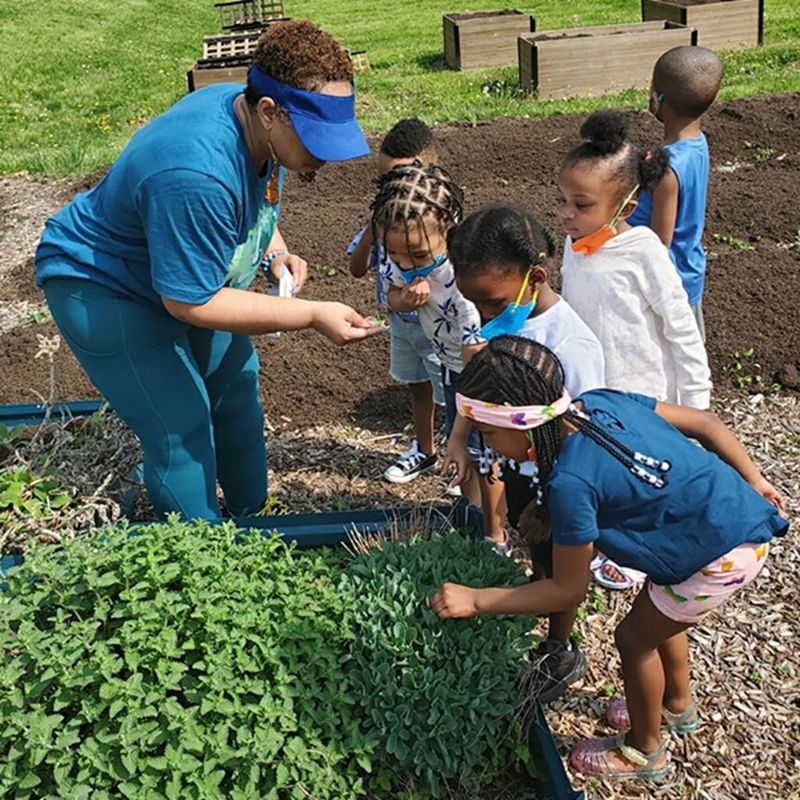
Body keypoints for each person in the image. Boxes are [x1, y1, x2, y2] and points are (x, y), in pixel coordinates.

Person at [34, 20, 382, 520]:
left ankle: (252, 517)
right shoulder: (195, 172)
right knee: (180, 424)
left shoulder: (254, 118)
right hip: (104, 283)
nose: (324, 156)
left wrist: (271, 251)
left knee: (236, 386)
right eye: (315, 138)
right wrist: (309, 314)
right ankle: (207, 556)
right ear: (268, 111)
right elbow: (189, 301)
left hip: (176, 268)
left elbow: (257, 199)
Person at [431, 337, 788, 782]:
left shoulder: (572, 483)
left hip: (720, 555)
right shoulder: (597, 403)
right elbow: (705, 422)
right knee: (660, 612)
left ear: (521, 425)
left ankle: (644, 752)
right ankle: (675, 706)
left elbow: (568, 589)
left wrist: (477, 600)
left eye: (488, 433)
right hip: (723, 522)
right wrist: (755, 480)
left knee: (634, 641)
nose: (488, 443)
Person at [443, 203, 606, 701]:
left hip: (556, 481)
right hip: (518, 465)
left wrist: (551, 505)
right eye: (476, 307)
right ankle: (536, 592)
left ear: (534, 277)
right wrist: (458, 436)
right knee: (535, 552)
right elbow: (485, 388)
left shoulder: (572, 345)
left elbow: (583, 434)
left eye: (492, 304)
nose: (486, 318)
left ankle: (559, 649)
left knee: (556, 563)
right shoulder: (500, 322)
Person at [559, 109, 712, 411]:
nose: (566, 213)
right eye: (560, 200)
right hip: (592, 393)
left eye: (581, 204)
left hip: (645, 399)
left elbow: (680, 326)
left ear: (626, 208)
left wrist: (696, 405)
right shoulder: (573, 243)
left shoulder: (644, 251)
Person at [369, 162, 487, 510]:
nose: (408, 265)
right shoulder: (399, 254)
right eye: (397, 256)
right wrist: (402, 299)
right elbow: (391, 292)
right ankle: (472, 512)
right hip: (451, 364)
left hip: (480, 371)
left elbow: (477, 361)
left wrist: (460, 435)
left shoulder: (465, 278)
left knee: (480, 447)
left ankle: (490, 523)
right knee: (463, 447)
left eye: (419, 255)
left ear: (448, 229)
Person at [348, 119, 445, 484]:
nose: (392, 189)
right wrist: (371, 237)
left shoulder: (438, 222)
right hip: (402, 327)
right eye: (385, 181)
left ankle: (460, 457)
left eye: (399, 179)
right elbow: (357, 268)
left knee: (452, 396)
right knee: (418, 386)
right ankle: (425, 451)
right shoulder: (385, 221)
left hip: (440, 328)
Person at [628, 46, 723, 342]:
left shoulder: (667, 169)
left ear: (658, 98)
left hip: (668, 283)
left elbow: (660, 240)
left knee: (671, 357)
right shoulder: (697, 143)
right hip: (688, 270)